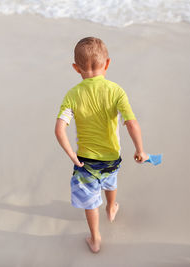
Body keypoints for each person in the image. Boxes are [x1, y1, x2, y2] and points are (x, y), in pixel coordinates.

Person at [55, 37, 148, 253]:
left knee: (89, 201)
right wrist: (140, 149)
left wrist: (72, 155)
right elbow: (131, 123)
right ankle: (111, 207)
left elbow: (59, 129)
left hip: (85, 160)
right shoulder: (116, 91)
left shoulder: (72, 95)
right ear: (107, 64)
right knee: (110, 180)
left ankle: (95, 239)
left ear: (76, 68)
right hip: (112, 156)